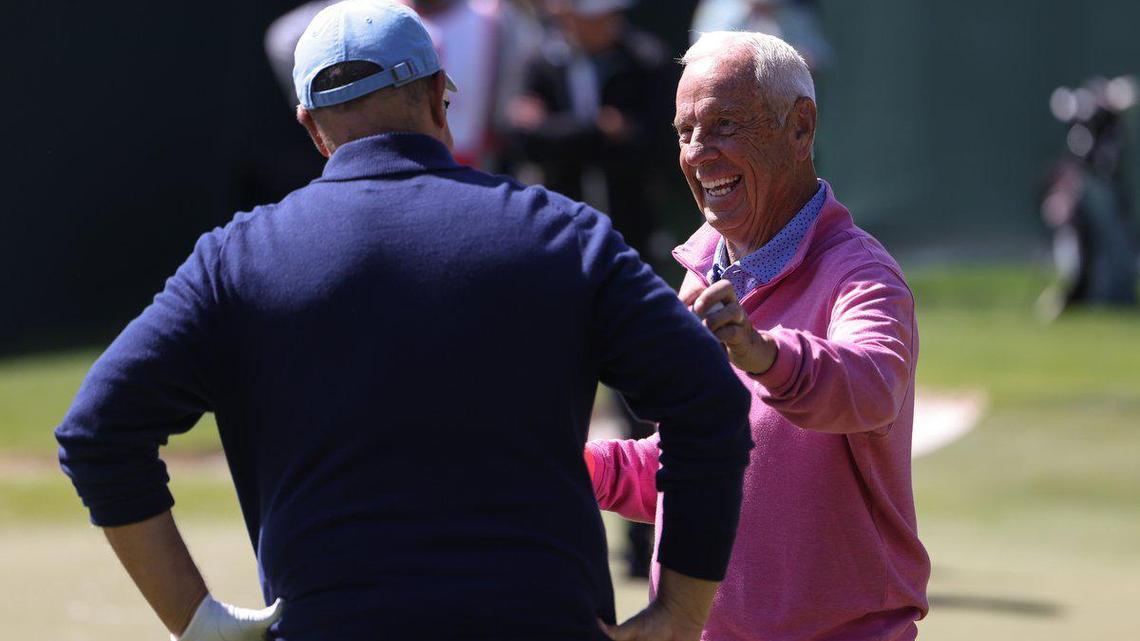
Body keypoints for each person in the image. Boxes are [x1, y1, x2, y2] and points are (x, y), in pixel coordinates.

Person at [54, 2, 753, 641]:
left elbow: (97, 434)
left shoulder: (235, 260)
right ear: (438, 99)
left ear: (310, 126)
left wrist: (198, 622)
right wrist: (679, 614)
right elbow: (712, 404)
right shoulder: (566, 237)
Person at [587, 31, 931, 641]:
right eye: (685, 132)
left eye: (723, 125)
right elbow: (690, 469)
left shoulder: (862, 274)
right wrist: (562, 466)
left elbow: (870, 387)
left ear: (801, 128)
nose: (697, 152)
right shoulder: (698, 280)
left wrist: (764, 354)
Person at [508, 0, 673, 261]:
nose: (609, 24)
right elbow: (528, 140)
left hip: (633, 222)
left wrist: (560, 131)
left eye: (612, 14)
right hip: (562, 221)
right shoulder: (541, 63)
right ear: (565, 15)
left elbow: (659, 139)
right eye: (595, 17)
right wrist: (601, 129)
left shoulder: (645, 59)